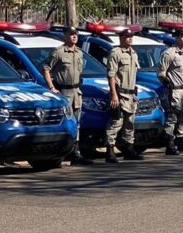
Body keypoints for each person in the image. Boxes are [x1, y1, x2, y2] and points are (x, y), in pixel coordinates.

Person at [43, 27, 94, 166]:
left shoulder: (79, 53)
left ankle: (75, 153)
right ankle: (61, 153)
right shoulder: (59, 52)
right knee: (65, 122)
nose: (74, 36)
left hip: (77, 92)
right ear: (65, 36)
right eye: (71, 34)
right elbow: (46, 69)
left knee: (76, 123)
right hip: (64, 92)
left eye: (76, 34)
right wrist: (52, 87)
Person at [105, 29, 143, 163]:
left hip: (131, 94)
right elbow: (111, 75)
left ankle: (129, 149)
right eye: (127, 36)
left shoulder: (133, 53)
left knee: (129, 123)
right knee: (116, 122)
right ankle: (110, 150)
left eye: (131, 36)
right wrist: (114, 95)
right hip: (120, 93)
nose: (130, 39)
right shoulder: (116, 53)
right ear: (121, 38)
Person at [159, 29, 183, 155]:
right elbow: (161, 73)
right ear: (176, 38)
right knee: (172, 118)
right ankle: (169, 144)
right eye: (182, 36)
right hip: (174, 90)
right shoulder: (169, 54)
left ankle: (182, 141)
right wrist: (167, 83)